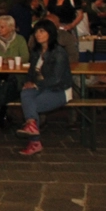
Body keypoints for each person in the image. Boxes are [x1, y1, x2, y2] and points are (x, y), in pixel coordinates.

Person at [16, 20, 73, 155]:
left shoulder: (59, 53)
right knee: (25, 94)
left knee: (31, 105)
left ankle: (34, 140)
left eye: (42, 31)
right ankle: (32, 127)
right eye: (36, 31)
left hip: (59, 89)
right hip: (41, 88)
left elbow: (56, 79)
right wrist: (28, 82)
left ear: (50, 33)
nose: (37, 34)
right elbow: (31, 72)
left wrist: (35, 84)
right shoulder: (36, 52)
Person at [0, 16, 31, 133]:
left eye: (2, 27)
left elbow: (25, 56)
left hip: (14, 75)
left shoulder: (20, 40)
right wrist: (5, 59)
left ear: (11, 28)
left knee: (4, 87)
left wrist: (11, 59)